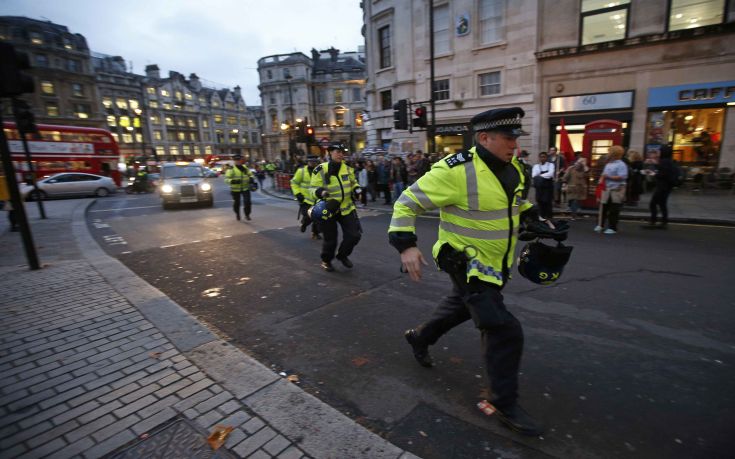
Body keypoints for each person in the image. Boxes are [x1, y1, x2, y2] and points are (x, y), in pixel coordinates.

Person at [390, 107, 561, 437]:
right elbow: (406, 202)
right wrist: (406, 245)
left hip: (496, 263)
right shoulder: (454, 170)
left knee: (460, 308)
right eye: (509, 138)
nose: (515, 144)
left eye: (516, 137)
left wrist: (536, 222)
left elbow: (516, 206)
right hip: (466, 264)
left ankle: (420, 337)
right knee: (502, 329)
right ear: (484, 138)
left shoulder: (514, 169)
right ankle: (503, 402)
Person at [310, 142, 363, 272]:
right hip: (329, 209)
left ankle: (342, 255)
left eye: (342, 152)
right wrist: (320, 192)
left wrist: (357, 190)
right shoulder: (320, 169)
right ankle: (326, 260)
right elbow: (311, 189)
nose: (341, 154)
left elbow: (353, 182)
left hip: (346, 208)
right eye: (337, 152)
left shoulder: (347, 168)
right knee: (331, 240)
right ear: (330, 153)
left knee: (354, 235)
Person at [595, 145, 628, 234]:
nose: (608, 153)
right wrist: (601, 180)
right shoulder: (609, 163)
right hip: (606, 188)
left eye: (609, 152)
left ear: (614, 154)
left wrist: (608, 177)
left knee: (614, 209)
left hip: (617, 189)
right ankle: (600, 225)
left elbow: (622, 177)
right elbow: (603, 174)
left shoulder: (621, 164)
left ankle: (612, 227)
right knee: (603, 207)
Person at [643, 145, 675, 229]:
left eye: (660, 151)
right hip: (667, 186)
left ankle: (653, 221)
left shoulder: (664, 161)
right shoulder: (668, 161)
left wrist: (653, 174)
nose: (659, 153)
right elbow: (665, 171)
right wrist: (656, 165)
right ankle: (664, 221)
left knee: (653, 204)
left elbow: (663, 174)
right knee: (662, 204)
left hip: (662, 186)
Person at [291, 155, 321, 239]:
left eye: (314, 161)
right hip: (305, 200)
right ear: (307, 162)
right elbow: (294, 183)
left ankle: (315, 233)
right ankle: (304, 223)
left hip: (317, 199)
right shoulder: (301, 171)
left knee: (317, 216)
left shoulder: (320, 171)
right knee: (309, 216)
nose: (313, 163)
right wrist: (298, 194)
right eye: (311, 161)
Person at [225, 154, 255, 221]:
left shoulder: (245, 167)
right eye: (236, 160)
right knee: (236, 203)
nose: (238, 161)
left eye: (239, 160)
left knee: (247, 202)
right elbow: (226, 179)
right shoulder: (231, 169)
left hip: (245, 188)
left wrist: (251, 178)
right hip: (235, 189)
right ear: (234, 161)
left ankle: (247, 215)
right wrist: (233, 181)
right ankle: (237, 214)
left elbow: (251, 175)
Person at [563, 152, 589, 220]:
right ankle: (573, 215)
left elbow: (587, 176)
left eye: (580, 164)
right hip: (572, 188)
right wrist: (564, 184)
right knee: (573, 201)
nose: (578, 165)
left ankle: (574, 215)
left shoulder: (584, 170)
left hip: (580, 189)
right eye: (578, 163)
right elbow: (565, 177)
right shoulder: (571, 168)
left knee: (576, 202)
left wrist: (585, 166)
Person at [532, 152, 555, 219]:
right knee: (540, 203)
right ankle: (541, 217)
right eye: (541, 157)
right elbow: (534, 175)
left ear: (547, 158)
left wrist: (540, 176)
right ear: (539, 158)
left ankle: (549, 218)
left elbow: (550, 174)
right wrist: (544, 176)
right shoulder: (536, 166)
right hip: (539, 189)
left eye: (544, 157)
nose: (542, 158)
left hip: (548, 188)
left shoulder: (551, 165)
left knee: (548, 203)